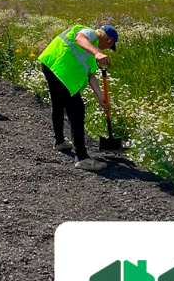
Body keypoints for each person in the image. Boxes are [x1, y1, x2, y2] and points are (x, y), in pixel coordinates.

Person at [38, 24, 118, 171]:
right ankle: (82, 158)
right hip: (61, 71)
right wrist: (97, 53)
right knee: (77, 111)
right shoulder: (90, 34)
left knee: (58, 104)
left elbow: (90, 75)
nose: (107, 49)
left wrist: (101, 96)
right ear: (109, 40)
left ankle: (60, 141)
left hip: (51, 65)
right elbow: (80, 38)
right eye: (110, 46)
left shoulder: (91, 51)